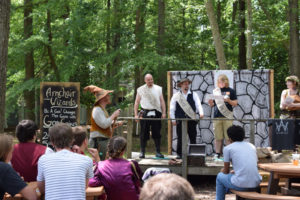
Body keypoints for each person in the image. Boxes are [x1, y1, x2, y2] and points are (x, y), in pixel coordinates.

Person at [37, 123, 94, 200]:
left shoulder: (43, 160)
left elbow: (42, 189)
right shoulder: (86, 160)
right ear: (72, 140)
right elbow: (83, 187)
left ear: (52, 142)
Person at [215, 125, 261, 200]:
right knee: (229, 179)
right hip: (256, 184)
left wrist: (222, 170)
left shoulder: (227, 148)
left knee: (220, 176)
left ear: (230, 138)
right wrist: (236, 171)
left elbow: (226, 171)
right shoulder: (251, 146)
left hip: (241, 185)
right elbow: (254, 164)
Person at [84, 85, 123, 160]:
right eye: (107, 95)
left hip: (102, 141)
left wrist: (114, 124)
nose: (109, 96)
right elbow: (104, 124)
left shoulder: (101, 109)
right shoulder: (97, 110)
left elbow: (104, 124)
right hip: (99, 142)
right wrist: (114, 115)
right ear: (103, 98)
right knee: (100, 164)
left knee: (102, 163)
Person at [170, 78, 204, 159]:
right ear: (181, 85)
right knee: (180, 137)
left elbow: (198, 104)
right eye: (184, 84)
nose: (186, 85)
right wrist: (173, 119)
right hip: (180, 120)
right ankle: (179, 154)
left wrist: (201, 112)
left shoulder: (194, 94)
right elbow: (172, 108)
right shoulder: (176, 96)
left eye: (187, 84)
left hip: (191, 119)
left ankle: (193, 154)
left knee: (193, 137)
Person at [134, 74, 166, 158]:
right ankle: (142, 152)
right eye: (148, 80)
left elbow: (162, 101)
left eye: (151, 79)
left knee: (157, 132)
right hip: (145, 112)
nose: (150, 81)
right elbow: (137, 102)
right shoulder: (141, 89)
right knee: (143, 133)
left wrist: (164, 112)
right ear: (145, 80)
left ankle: (158, 152)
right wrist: (135, 114)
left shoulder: (158, 88)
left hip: (156, 112)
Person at [208, 74, 237, 160]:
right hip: (217, 116)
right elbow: (212, 105)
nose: (221, 83)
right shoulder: (215, 91)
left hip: (228, 116)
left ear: (226, 81)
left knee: (228, 137)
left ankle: (228, 154)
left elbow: (235, 103)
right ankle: (217, 153)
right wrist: (210, 103)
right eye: (219, 82)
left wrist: (229, 100)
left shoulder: (231, 91)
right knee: (218, 137)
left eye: (222, 82)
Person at [0, 134, 37, 200]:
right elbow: (32, 196)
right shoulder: (4, 168)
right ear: (6, 153)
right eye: (11, 152)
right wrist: (39, 189)